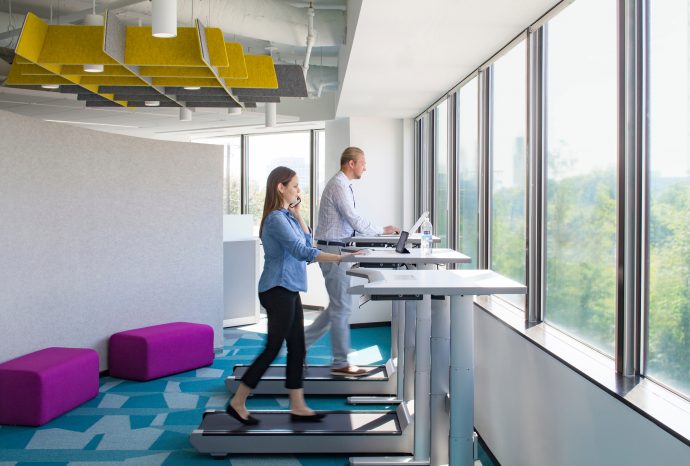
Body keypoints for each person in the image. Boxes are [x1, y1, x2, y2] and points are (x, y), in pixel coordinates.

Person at [227, 166, 362, 425]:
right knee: (273, 348)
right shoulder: (276, 219)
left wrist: (299, 214)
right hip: (276, 289)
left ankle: (298, 405)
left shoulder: (286, 216)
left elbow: (307, 241)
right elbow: (303, 251)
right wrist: (340, 258)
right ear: (281, 187)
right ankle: (237, 401)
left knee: (297, 347)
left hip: (288, 289)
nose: (299, 190)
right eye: (295, 186)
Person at [305, 146, 400, 377]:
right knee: (342, 306)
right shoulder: (338, 185)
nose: (365, 167)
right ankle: (340, 362)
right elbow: (353, 218)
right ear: (351, 163)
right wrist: (381, 231)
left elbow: (349, 223)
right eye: (363, 163)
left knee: (338, 306)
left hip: (337, 248)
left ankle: (300, 343)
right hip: (333, 251)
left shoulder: (342, 185)